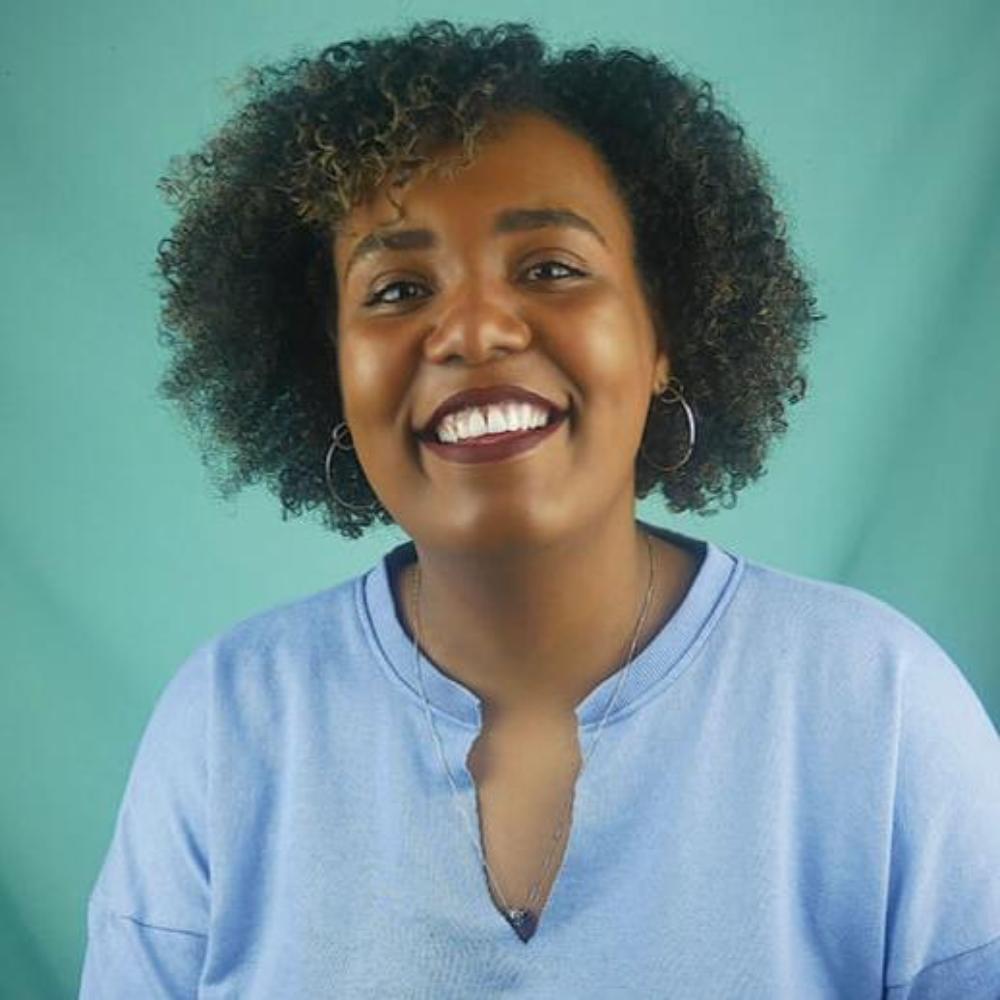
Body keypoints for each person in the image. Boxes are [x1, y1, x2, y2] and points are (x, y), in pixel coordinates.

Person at [79, 19, 1000, 998]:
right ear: (331, 376)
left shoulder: (876, 701)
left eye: (552, 267)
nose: (473, 328)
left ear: (662, 338)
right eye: (395, 287)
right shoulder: (227, 722)